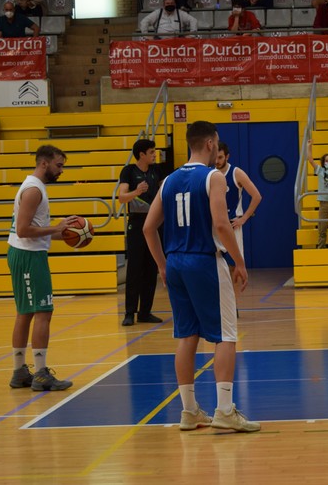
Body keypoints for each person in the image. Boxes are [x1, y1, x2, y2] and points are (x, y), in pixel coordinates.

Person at [143, 121, 261, 433]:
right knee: (225, 334)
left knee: (186, 335)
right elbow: (222, 225)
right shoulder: (214, 177)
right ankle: (224, 410)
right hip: (205, 261)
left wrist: (162, 265)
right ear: (210, 144)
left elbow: (148, 228)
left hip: (176, 262)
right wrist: (240, 262)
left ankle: (190, 411)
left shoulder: (168, 179)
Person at [7, 145, 81, 392]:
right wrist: (56, 227)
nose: (61, 170)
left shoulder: (35, 187)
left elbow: (33, 231)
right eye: (59, 165)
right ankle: (40, 374)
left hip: (25, 253)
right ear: (44, 163)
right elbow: (23, 230)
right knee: (42, 311)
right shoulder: (33, 190)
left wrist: (71, 235)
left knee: (26, 313)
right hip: (28, 257)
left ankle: (19, 372)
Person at [117, 139, 164, 327]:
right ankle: (129, 313)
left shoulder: (156, 171)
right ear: (142, 154)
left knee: (151, 269)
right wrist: (137, 191)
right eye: (151, 152)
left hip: (155, 223)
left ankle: (145, 312)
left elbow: (164, 190)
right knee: (135, 269)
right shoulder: (129, 171)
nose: (154, 155)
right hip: (137, 223)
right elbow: (121, 197)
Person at [215, 141, 263, 263]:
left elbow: (257, 196)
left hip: (232, 224)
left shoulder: (236, 173)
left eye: (220, 157)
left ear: (227, 156)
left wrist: (244, 218)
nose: (217, 161)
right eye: (215, 157)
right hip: (215, 224)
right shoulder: (209, 173)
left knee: (236, 265)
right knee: (216, 266)